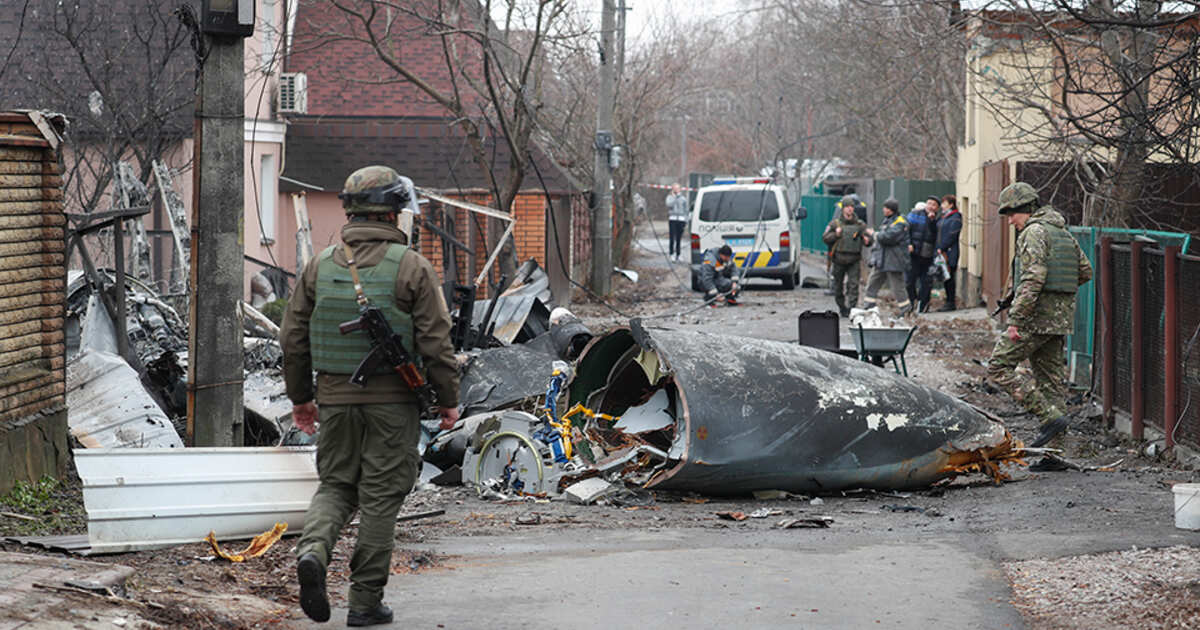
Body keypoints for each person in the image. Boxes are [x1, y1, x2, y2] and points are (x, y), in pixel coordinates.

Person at [281, 165, 460, 626]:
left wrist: (301, 398)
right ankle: (363, 604)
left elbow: (293, 338)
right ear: (394, 213)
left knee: (337, 486)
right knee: (381, 496)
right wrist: (447, 399)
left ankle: (314, 554)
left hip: (335, 401)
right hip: (393, 404)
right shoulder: (413, 267)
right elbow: (437, 344)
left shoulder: (318, 266)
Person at [986, 182, 1092, 452]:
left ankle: (1050, 417)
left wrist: (1016, 319)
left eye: (1013, 214)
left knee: (998, 367)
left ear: (1029, 209)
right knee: (1051, 382)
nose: (1010, 221)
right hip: (1058, 319)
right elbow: (1084, 271)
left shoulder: (1033, 232)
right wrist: (1056, 297)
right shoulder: (1061, 233)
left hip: (1034, 318)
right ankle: (1056, 452)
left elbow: (1033, 277)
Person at [862, 198, 912, 316]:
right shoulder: (888, 221)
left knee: (898, 287)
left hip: (894, 261)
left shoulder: (900, 222)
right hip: (882, 260)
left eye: (885, 208)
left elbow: (887, 237)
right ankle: (868, 307)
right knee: (872, 283)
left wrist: (874, 234)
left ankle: (906, 310)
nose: (883, 210)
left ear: (891, 210)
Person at [823, 198, 872, 317]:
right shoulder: (835, 224)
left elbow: (869, 239)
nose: (850, 209)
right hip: (839, 259)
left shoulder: (860, 225)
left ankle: (852, 308)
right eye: (847, 206)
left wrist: (867, 240)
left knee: (853, 285)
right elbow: (825, 238)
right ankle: (842, 307)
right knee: (838, 286)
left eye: (852, 206)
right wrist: (836, 234)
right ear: (843, 208)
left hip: (854, 259)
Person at [904, 200, 937, 312]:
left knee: (926, 282)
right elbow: (906, 230)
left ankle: (923, 305)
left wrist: (932, 221)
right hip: (915, 254)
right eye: (929, 204)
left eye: (934, 205)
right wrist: (909, 244)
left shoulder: (938, 219)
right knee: (909, 281)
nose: (931, 207)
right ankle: (913, 301)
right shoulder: (915, 215)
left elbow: (936, 234)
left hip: (929, 256)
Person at [936, 194, 963, 311]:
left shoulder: (956, 217)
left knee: (950, 277)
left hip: (950, 252)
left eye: (944, 203)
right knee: (945, 277)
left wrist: (942, 247)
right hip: (942, 251)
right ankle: (948, 301)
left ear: (951, 204)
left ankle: (951, 302)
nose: (942, 206)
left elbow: (952, 235)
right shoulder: (943, 217)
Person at [665, 183, 689, 262]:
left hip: (681, 220)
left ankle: (679, 254)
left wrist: (686, 220)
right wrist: (674, 198)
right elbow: (669, 205)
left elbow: (686, 210)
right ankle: (672, 254)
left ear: (680, 189)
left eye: (677, 188)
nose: (676, 190)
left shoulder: (683, 198)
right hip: (673, 219)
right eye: (674, 188)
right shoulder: (670, 197)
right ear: (672, 189)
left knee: (679, 238)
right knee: (672, 238)